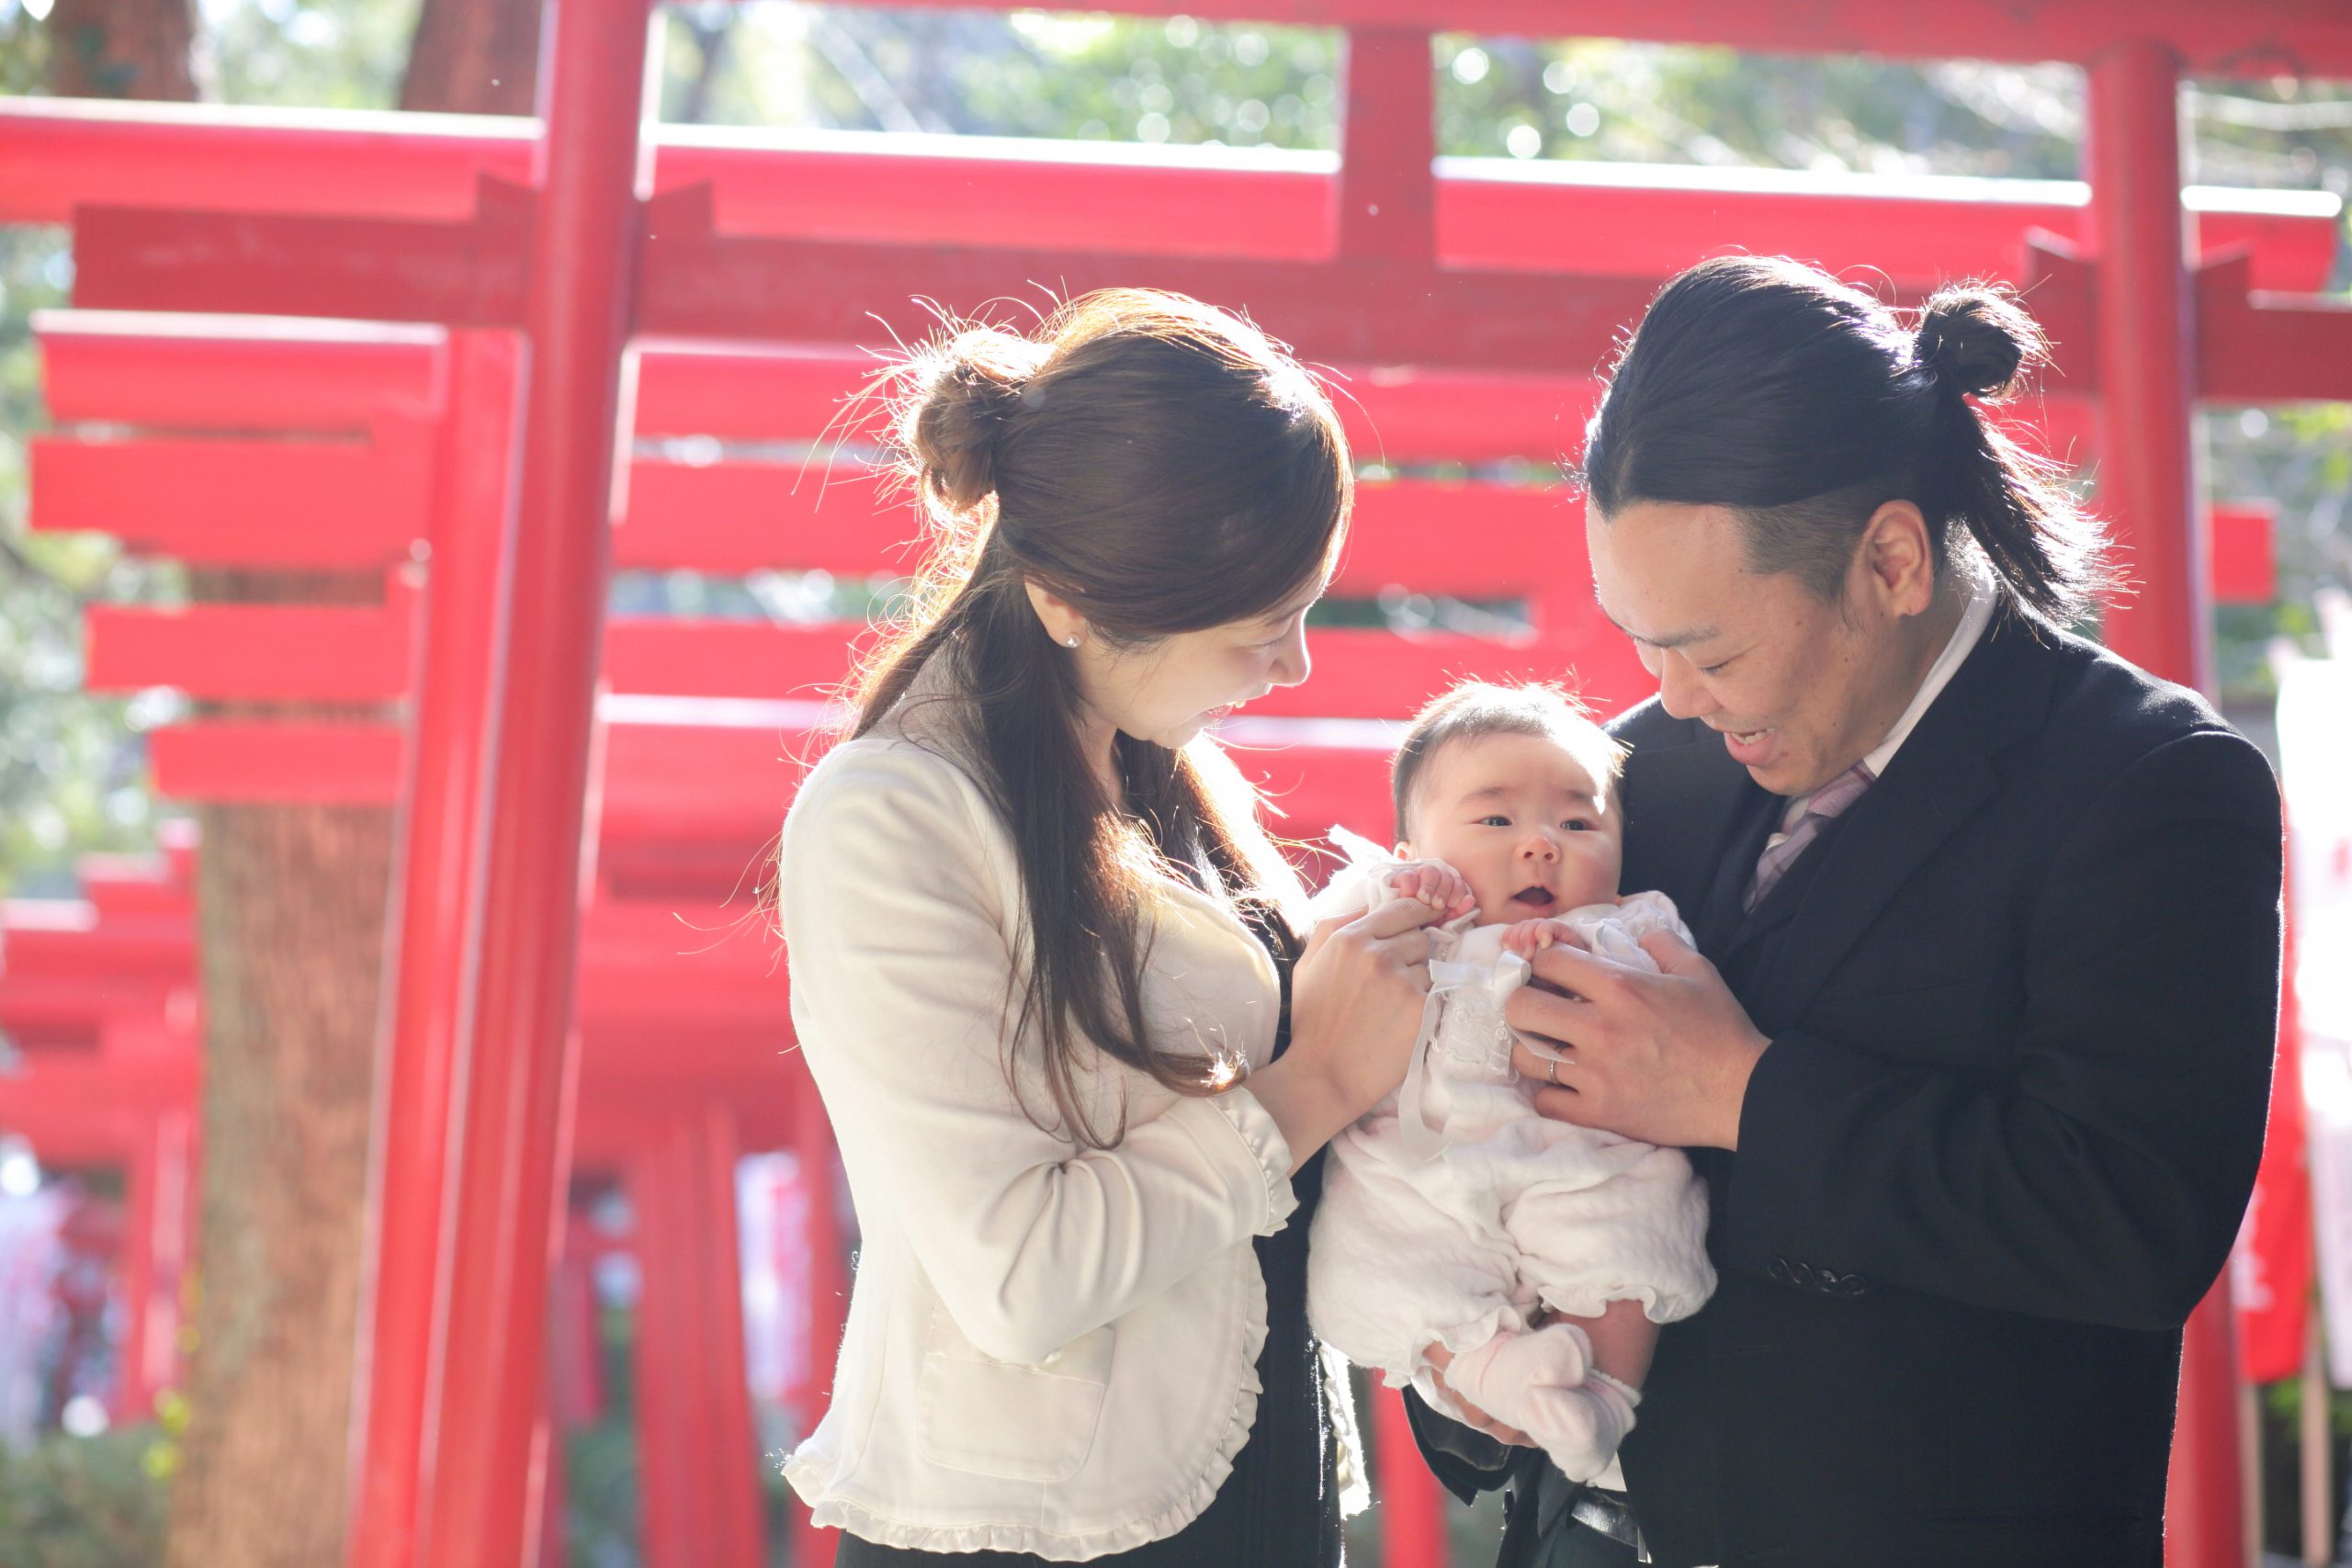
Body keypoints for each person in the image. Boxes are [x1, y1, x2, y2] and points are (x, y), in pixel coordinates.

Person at [1409, 255, 2285, 1568]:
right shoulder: (1645, 765)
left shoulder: (2150, 781)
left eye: (1711, 647)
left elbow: (2134, 1218)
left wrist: (1743, 1093)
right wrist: (1467, 1379)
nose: (1674, 695)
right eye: (1643, 641)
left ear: (1890, 559)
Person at [774, 288, 1456, 1565]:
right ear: (1073, 595)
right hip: (1042, 1528)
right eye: (1265, 628)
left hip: (1238, 1482)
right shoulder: (886, 820)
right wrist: (1310, 1082)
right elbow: (1018, 1274)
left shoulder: (1142, 745)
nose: (1297, 666)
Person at [1306, 681, 1713, 1491]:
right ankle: (1496, 1370)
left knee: (1637, 1229)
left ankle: (1603, 1393)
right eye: (1494, 820)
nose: (1540, 844)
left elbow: (1676, 1005)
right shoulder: (1394, 907)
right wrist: (1402, 904)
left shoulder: (1629, 922)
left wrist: (1581, 954)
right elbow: (1318, 973)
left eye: (1577, 821)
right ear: (1411, 842)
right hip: (1418, 1159)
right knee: (1368, 1258)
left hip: (1578, 1147)